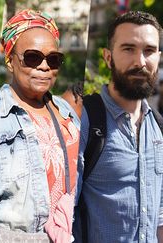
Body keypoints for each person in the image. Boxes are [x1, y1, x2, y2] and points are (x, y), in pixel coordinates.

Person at [0, 9, 80, 242]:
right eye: (33, 57)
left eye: (53, 60)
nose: (44, 66)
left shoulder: (66, 111)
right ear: (10, 60)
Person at [73, 11, 163, 242]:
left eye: (149, 51)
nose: (140, 62)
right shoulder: (85, 121)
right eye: (128, 49)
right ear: (108, 57)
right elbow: (60, 214)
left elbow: (160, 216)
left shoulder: (159, 127)